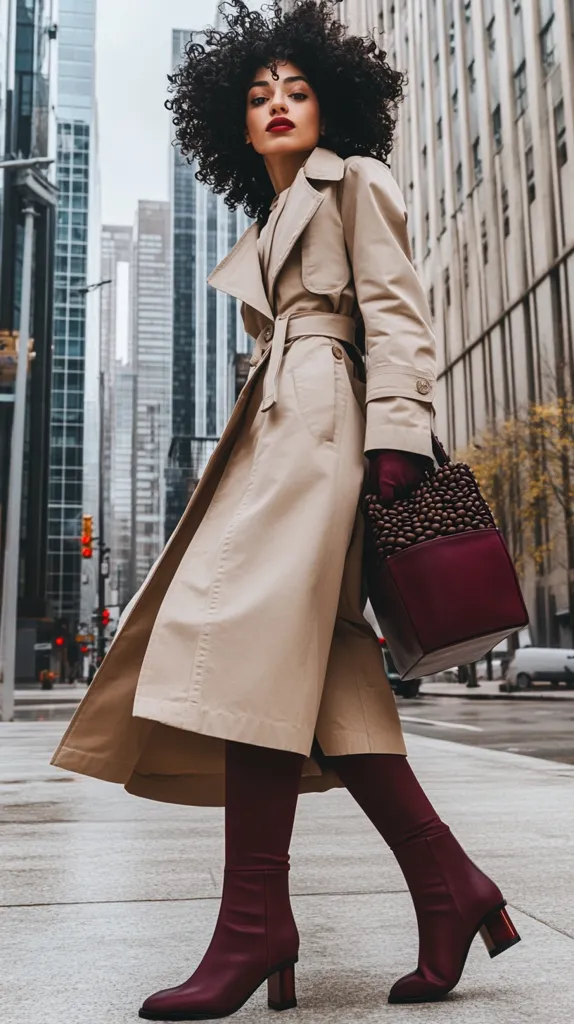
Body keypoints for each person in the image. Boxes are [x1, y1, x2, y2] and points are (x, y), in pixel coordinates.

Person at [51, 1, 520, 1018]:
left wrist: (396, 438)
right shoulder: (270, 221)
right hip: (283, 422)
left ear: (332, 102)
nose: (275, 104)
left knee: (239, 630)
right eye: (258, 93)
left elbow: (397, 308)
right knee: (324, 672)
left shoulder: (352, 180)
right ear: (232, 117)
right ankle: (452, 890)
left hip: (328, 431)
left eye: (296, 89)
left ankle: (254, 921)